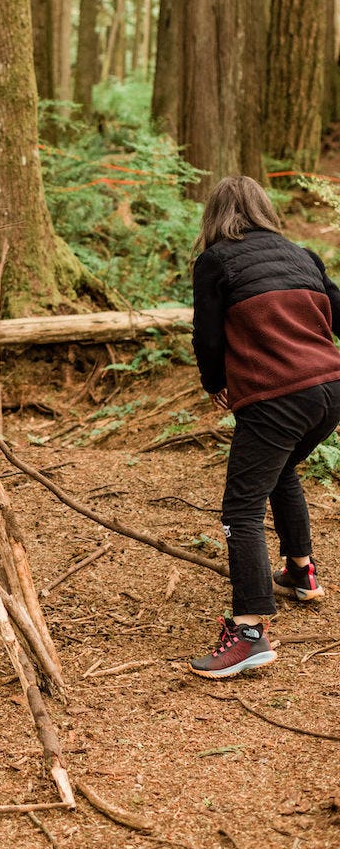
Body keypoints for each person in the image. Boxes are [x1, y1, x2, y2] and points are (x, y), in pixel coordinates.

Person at [188, 175, 340, 679]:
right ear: (263, 209)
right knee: (280, 472)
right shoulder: (302, 254)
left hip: (279, 397)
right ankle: (301, 572)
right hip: (331, 390)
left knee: (241, 507)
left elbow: (207, 336)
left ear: (214, 216)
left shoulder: (214, 261)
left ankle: (249, 632)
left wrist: (215, 383)